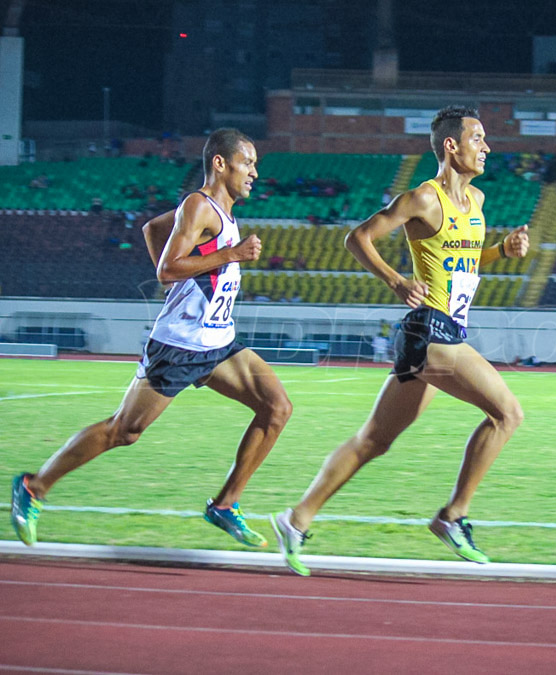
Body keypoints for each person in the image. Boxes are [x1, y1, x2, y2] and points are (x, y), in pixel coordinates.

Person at [269, 106, 529, 576]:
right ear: (451, 146)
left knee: (373, 440)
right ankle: (453, 516)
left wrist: (500, 252)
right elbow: (358, 237)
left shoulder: (479, 203)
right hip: (430, 329)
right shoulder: (423, 199)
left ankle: (295, 519)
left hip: (441, 332)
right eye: (478, 138)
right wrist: (394, 280)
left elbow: (462, 264)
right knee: (507, 412)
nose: (487, 147)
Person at [10, 129, 292, 549]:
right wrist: (229, 256)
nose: (254, 172)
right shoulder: (200, 205)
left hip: (217, 341)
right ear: (220, 163)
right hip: (178, 345)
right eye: (247, 163)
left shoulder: (213, 211)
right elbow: (166, 269)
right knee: (124, 431)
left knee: (277, 408)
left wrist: (192, 279)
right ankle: (33, 486)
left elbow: (151, 230)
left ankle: (225, 504)